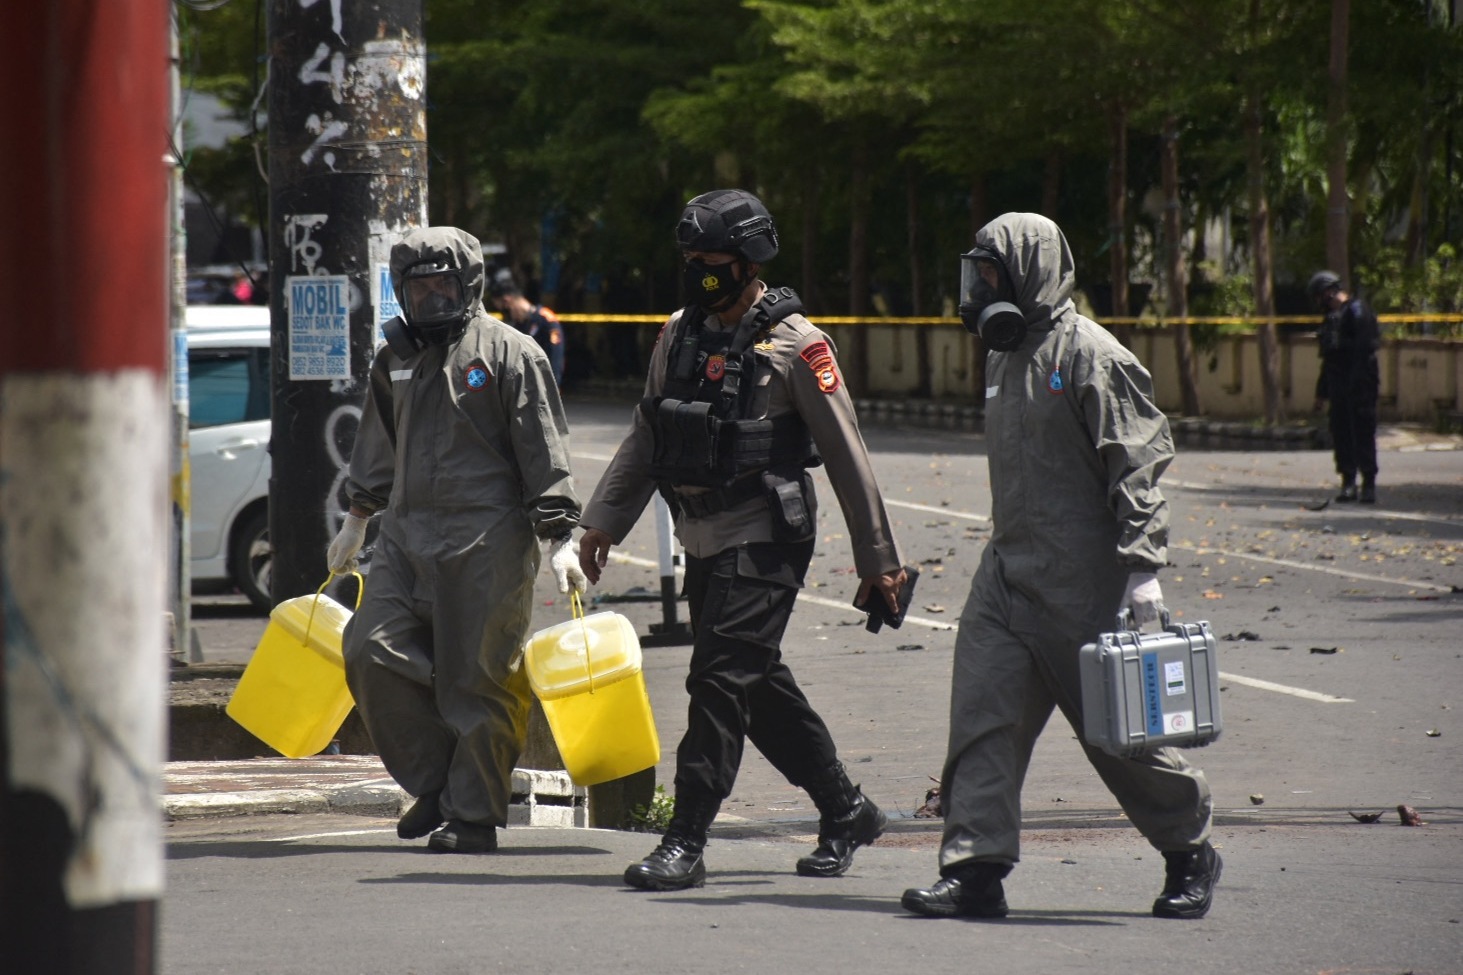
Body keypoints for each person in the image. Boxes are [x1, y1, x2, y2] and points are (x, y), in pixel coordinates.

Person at [577, 189, 908, 891]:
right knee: (752, 684)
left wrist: (879, 561)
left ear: (749, 260)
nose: (698, 271)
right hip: (702, 532)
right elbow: (648, 433)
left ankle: (686, 838)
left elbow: (847, 455)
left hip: (766, 532)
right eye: (690, 259)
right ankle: (845, 809)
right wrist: (601, 520)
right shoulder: (679, 331)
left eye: (713, 260)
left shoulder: (798, 344)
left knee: (718, 679)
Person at [901, 213, 1218, 920]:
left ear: (1028, 271)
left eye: (990, 275)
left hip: (1085, 584)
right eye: (975, 275)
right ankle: (975, 869)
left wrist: (1142, 570)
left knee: (1119, 739)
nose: (978, 291)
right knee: (983, 720)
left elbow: (1136, 464)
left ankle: (1189, 848)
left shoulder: (1091, 356)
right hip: (1007, 575)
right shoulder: (1002, 352)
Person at [326, 226, 585, 854]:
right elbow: (378, 444)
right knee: (370, 650)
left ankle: (472, 817)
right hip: (405, 540)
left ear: (467, 284)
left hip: (487, 543)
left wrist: (560, 540)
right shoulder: (395, 359)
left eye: (444, 284)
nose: (432, 298)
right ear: (401, 292)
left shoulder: (511, 353)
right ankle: (440, 784)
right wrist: (358, 517)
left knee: (478, 680)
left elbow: (544, 452)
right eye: (419, 287)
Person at [1308, 270, 1380, 504]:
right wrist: (1322, 392)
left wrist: (1357, 382)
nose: (1319, 302)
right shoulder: (1330, 319)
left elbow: (1365, 349)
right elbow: (1328, 358)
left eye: (1320, 296)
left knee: (1362, 431)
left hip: (1361, 383)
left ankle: (1368, 483)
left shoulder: (1358, 311)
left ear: (1329, 292)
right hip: (1338, 384)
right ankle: (1348, 481)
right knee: (1341, 432)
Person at [489, 266, 566, 385]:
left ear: (507, 301)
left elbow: (555, 359)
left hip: (543, 388)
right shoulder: (517, 327)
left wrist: (552, 389)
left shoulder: (546, 321)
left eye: (503, 309)